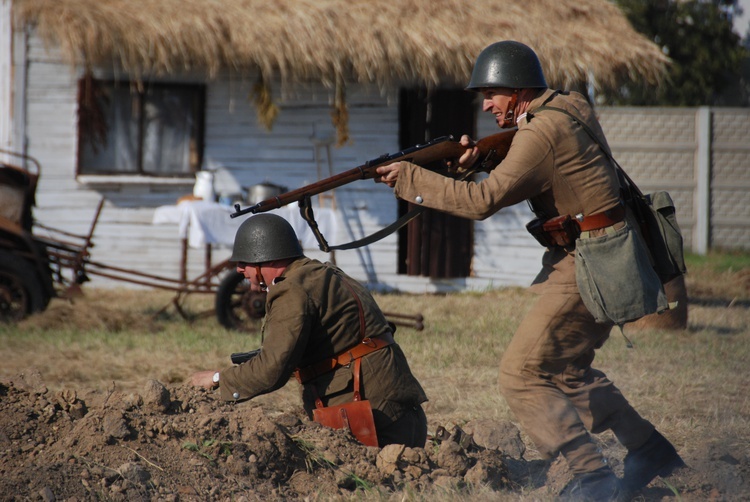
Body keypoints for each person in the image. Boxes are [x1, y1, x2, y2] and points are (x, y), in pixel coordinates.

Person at [375, 40, 685, 499]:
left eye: (492, 94)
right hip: (603, 255)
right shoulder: (569, 107)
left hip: (591, 264)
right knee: (567, 372)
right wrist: (485, 156)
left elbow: (482, 201)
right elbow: (545, 163)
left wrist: (409, 178)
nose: (485, 104)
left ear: (518, 90)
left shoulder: (539, 135)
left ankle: (592, 478)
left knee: (520, 374)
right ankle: (649, 450)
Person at [191, 213, 428, 448]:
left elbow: (271, 369)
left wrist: (217, 379)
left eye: (245, 262)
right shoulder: (321, 274)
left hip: (371, 418)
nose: (240, 270)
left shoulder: (291, 289)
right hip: (400, 415)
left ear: (269, 259)